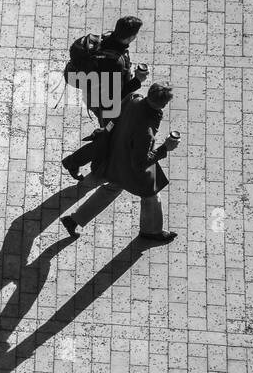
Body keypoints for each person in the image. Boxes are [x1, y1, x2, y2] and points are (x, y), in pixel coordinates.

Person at [60, 82, 180, 245]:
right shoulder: (146, 132)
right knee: (151, 193)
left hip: (116, 155)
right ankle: (150, 231)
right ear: (164, 104)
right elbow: (141, 162)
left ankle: (74, 220)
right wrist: (165, 148)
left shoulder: (133, 99)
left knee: (112, 188)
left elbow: (114, 118)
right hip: (129, 168)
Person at [61, 16, 150, 180]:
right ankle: (77, 163)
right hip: (105, 104)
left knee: (108, 136)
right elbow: (114, 97)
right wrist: (137, 80)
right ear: (131, 36)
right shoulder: (114, 63)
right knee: (109, 139)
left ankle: (93, 166)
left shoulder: (107, 37)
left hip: (96, 95)